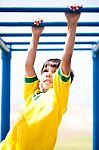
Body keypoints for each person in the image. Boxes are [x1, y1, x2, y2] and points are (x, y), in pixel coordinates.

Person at [0, 4, 82, 150]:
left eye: (54, 71)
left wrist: (71, 24)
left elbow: (66, 59)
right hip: (9, 146)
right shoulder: (32, 93)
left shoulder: (58, 94)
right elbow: (28, 65)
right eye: (45, 70)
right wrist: (35, 35)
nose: (49, 73)